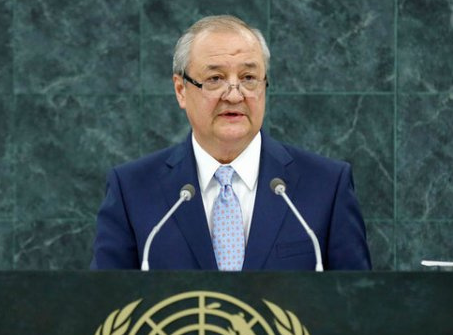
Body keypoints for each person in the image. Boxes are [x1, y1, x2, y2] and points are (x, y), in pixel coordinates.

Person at [91, 15, 371, 271]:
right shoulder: (132, 189)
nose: (235, 95)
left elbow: (357, 299)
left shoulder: (326, 185)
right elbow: (106, 302)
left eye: (249, 78)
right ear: (181, 90)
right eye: (215, 79)